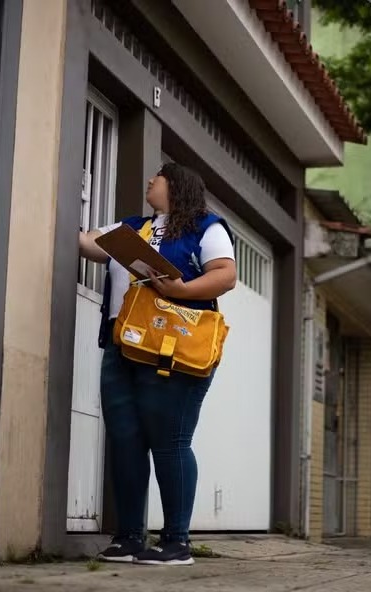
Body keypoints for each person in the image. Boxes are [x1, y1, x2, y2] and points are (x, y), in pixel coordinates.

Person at [79, 163, 237, 566]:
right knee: (126, 441)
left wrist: (182, 288)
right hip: (123, 345)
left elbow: (225, 275)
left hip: (173, 349)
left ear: (178, 186)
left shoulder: (206, 227)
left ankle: (176, 542)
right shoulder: (132, 228)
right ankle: (130, 537)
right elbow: (90, 244)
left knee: (170, 443)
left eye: (158, 177)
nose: (150, 180)